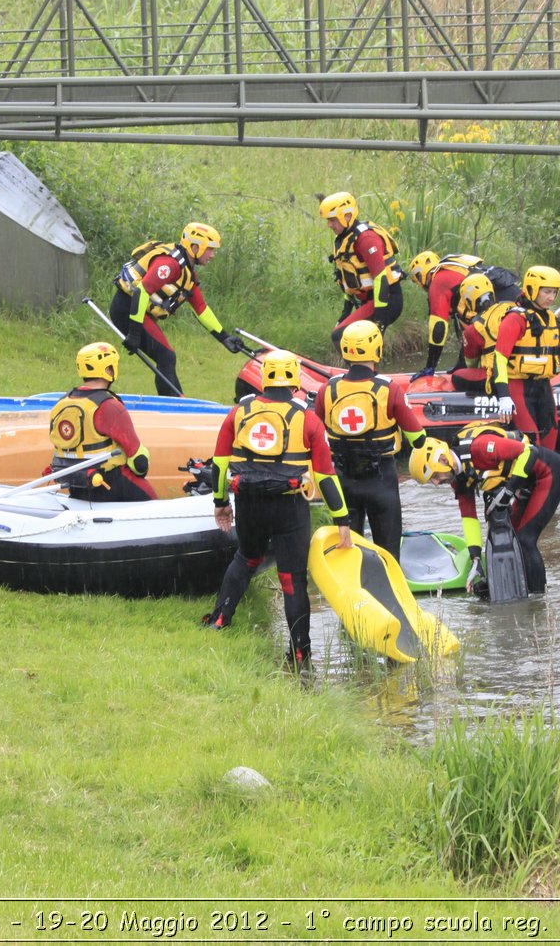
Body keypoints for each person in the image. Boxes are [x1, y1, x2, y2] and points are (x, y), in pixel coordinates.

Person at [201, 350, 352, 670]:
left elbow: (219, 462)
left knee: (246, 558)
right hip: (289, 507)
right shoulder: (308, 420)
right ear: (295, 381)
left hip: (250, 502)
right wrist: (342, 519)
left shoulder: (238, 412)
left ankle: (218, 620)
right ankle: (300, 653)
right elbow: (325, 476)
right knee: (292, 579)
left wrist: (220, 502)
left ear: (264, 378)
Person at [409, 425, 560, 596]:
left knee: (525, 540)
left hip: (550, 473)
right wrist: (476, 559)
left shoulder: (481, 447)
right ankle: (522, 590)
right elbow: (469, 517)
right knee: (512, 536)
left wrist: (509, 491)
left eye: (434, 476)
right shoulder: (458, 479)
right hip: (528, 483)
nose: (435, 483)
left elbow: (529, 452)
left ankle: (539, 599)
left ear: (442, 459)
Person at [312, 320, 427, 559]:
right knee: (388, 557)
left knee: (347, 556)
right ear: (377, 349)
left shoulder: (327, 390)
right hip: (381, 482)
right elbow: (418, 438)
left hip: (343, 482)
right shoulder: (390, 389)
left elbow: (314, 433)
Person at [109, 223, 245, 397]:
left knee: (166, 357)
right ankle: (172, 406)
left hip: (137, 311)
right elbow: (141, 291)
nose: (212, 255)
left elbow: (201, 308)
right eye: (210, 249)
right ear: (195, 247)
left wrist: (224, 337)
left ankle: (177, 399)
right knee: (166, 356)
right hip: (127, 308)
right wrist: (134, 333)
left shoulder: (187, 272)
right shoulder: (170, 264)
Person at [46, 342, 156, 503]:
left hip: (76, 484)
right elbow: (138, 459)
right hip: (111, 482)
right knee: (152, 499)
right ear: (109, 370)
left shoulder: (61, 403)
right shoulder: (109, 406)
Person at [500, 265, 560, 450]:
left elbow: (559, 358)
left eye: (555, 293)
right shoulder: (514, 319)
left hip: (544, 389)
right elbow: (499, 358)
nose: (552, 298)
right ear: (531, 289)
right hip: (519, 389)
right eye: (547, 292)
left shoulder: (552, 319)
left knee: (549, 445)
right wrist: (503, 396)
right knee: (531, 447)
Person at [405, 250, 520, 380]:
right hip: (511, 293)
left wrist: (430, 366)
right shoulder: (454, 270)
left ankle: (499, 378)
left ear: (421, 276)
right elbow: (468, 329)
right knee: (464, 319)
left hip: (500, 300)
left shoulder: (438, 283)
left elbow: (438, 328)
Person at [319, 191, 404, 350]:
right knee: (344, 337)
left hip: (387, 299)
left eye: (332, 220)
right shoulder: (345, 238)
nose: (329, 225)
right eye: (328, 221)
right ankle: (361, 372)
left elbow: (380, 279)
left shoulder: (366, 239)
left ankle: (363, 373)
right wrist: (346, 312)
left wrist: (379, 319)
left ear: (347, 216)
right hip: (369, 300)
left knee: (340, 337)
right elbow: (347, 280)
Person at [445, 273, 516, 419]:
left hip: (498, 376)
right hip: (521, 367)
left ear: (469, 301)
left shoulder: (474, 329)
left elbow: (471, 364)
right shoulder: (513, 307)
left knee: (457, 377)